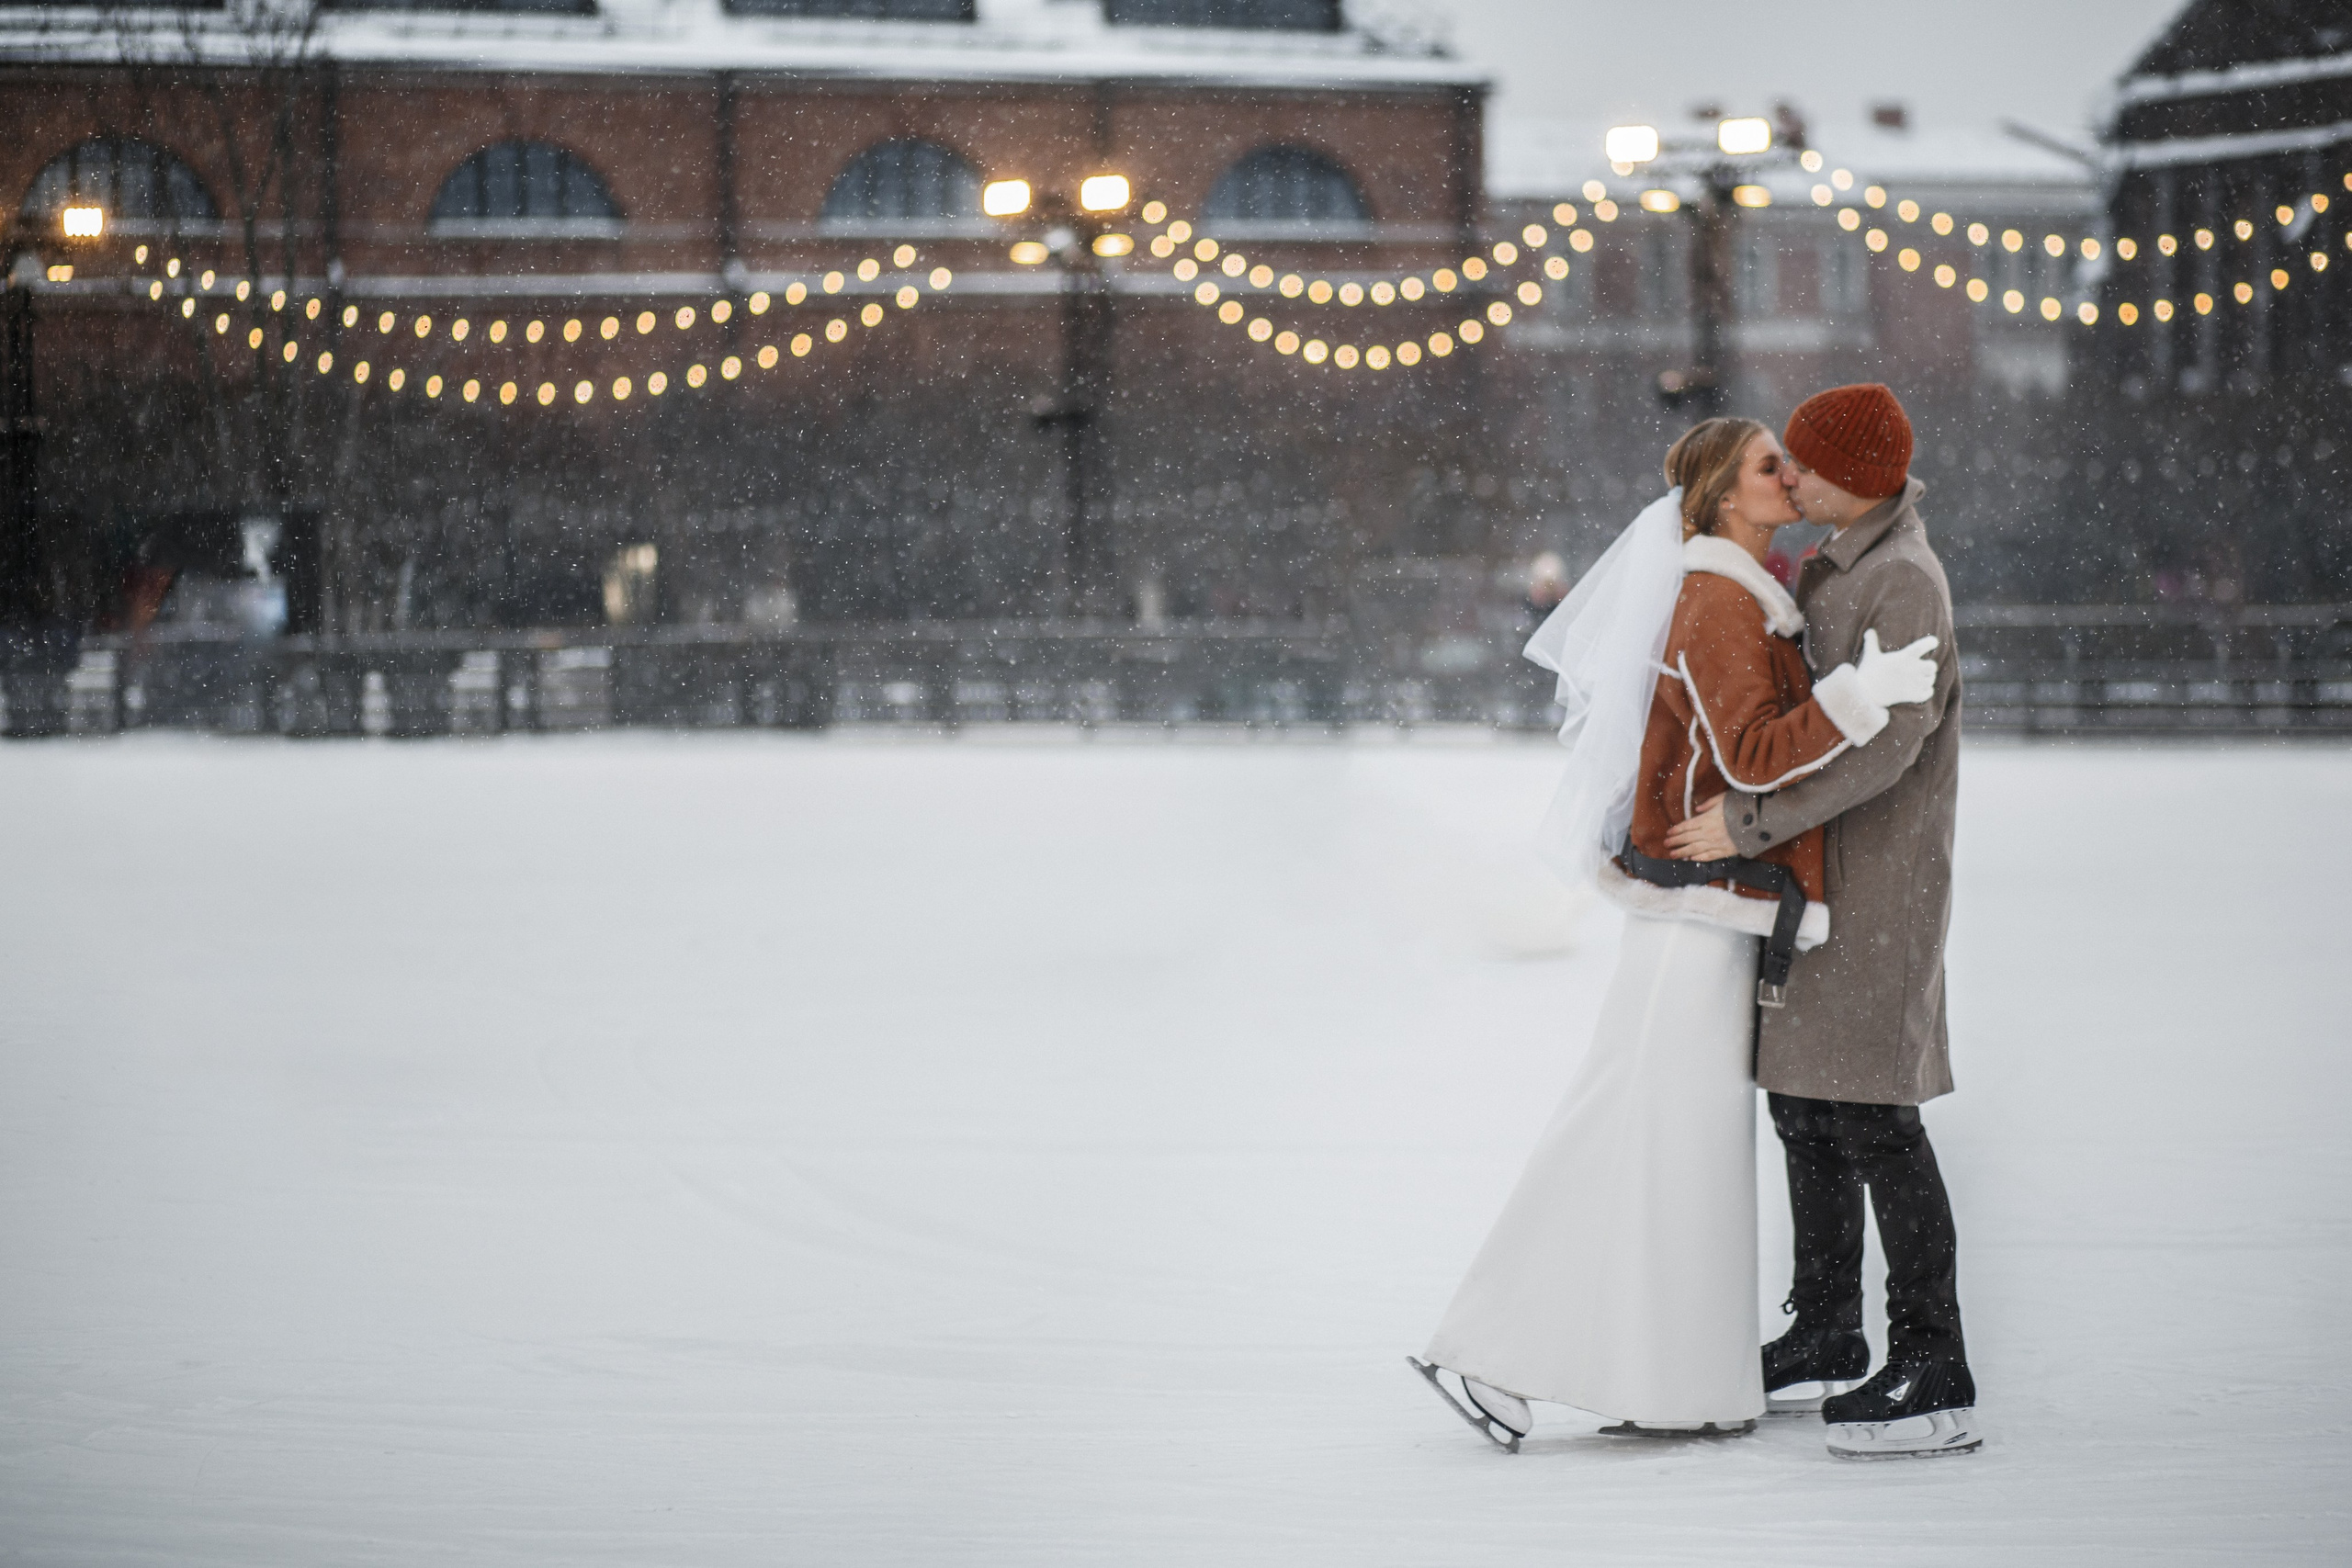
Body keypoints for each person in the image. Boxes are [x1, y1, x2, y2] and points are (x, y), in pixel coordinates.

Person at [1409, 417, 1939, 1450]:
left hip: (1715, 907)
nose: (1786, 475)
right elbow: (1747, 754)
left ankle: (1659, 1377)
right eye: (1763, 466)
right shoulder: (1718, 599)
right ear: (1718, 497)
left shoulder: (1746, 594)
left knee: (1676, 1147)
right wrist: (1856, 697)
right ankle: (1486, 1348)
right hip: (1690, 917)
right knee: (1630, 1124)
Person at [1664, 383, 1978, 1461]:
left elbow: (1884, 746)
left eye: (1802, 462)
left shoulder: (1901, 578)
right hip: (1815, 883)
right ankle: (1827, 1325)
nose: (1789, 477)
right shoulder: (1842, 562)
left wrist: (1751, 821)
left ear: (1852, 474)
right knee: (1803, 1105)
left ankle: (1933, 1360)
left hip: (1878, 887)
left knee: (1876, 1116)